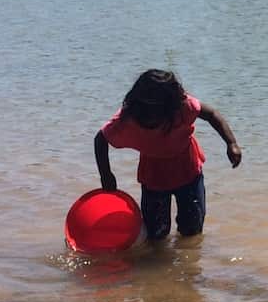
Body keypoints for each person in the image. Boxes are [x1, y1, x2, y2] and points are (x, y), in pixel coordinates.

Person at [94, 69, 242, 241]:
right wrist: (106, 175)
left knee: (192, 231)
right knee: (156, 234)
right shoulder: (130, 117)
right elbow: (101, 139)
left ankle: (187, 263)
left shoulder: (182, 107)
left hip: (188, 172)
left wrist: (231, 143)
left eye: (158, 113)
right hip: (154, 177)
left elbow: (211, 114)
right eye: (149, 114)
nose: (153, 119)